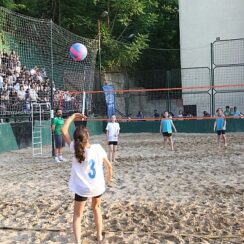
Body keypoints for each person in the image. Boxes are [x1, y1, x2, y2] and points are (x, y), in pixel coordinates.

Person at [61, 113, 112, 243]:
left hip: (82, 188)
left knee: (78, 216)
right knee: (96, 208)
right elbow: (109, 167)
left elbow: (63, 130)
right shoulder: (98, 148)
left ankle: (78, 242)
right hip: (97, 186)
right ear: (88, 137)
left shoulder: (74, 148)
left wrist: (73, 116)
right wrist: (108, 179)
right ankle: (99, 236)